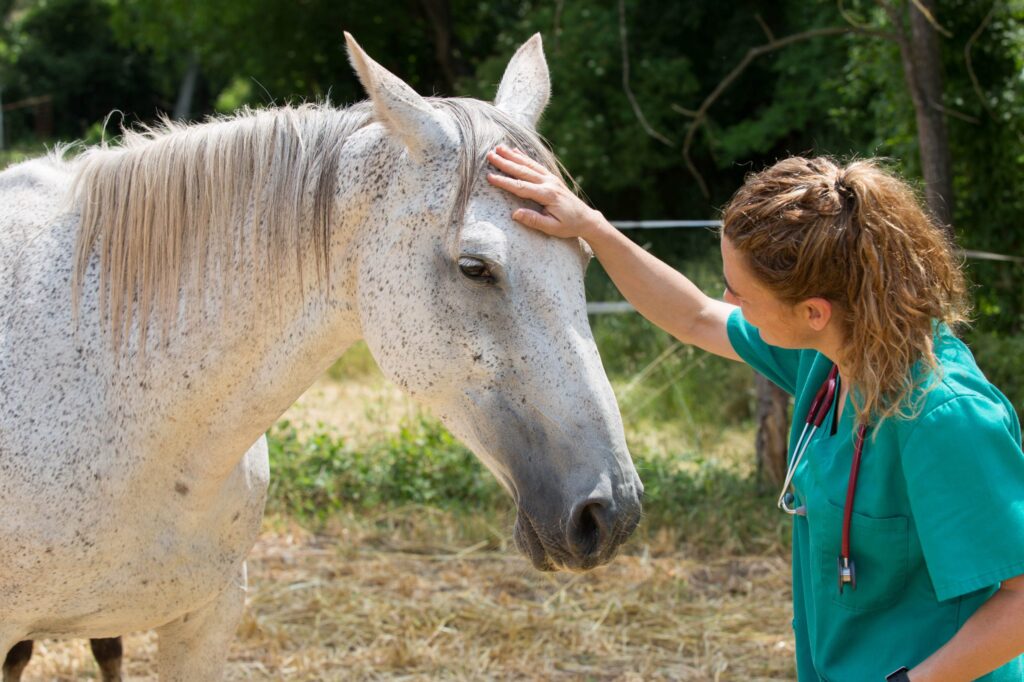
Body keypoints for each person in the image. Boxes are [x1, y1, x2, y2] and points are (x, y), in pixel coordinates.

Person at [486, 145, 1024, 681]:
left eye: (740, 292)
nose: (727, 297)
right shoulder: (831, 357)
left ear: (814, 311)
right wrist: (593, 229)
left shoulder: (945, 418)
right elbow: (695, 317)